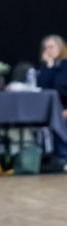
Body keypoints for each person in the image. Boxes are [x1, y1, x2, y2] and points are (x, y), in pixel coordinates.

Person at [38, 34, 67, 167]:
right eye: (45, 48)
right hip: (50, 109)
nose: (48, 50)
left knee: (59, 119)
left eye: (51, 47)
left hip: (64, 108)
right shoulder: (48, 67)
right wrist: (48, 67)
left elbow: (59, 87)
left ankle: (63, 157)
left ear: (60, 48)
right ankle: (50, 159)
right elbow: (42, 88)